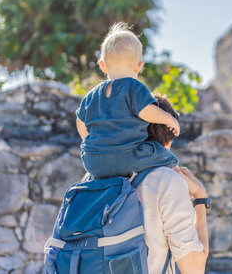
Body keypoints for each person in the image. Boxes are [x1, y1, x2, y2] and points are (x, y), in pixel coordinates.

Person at [75, 22, 180, 178]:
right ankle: (177, 175)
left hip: (93, 162)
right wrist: (169, 119)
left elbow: (80, 122)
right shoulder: (134, 87)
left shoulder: (91, 95)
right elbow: (147, 112)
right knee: (162, 153)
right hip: (127, 158)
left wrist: (94, 142)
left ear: (103, 66)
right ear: (139, 66)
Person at [138, 94, 209, 274]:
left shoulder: (95, 175)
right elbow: (194, 269)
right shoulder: (166, 181)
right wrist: (200, 197)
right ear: (169, 139)